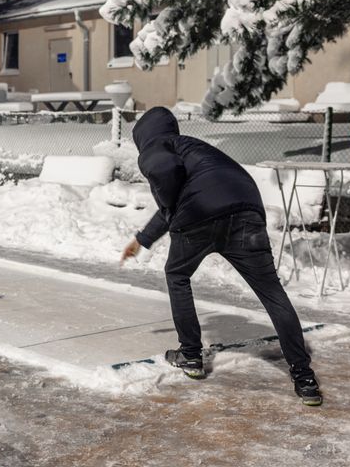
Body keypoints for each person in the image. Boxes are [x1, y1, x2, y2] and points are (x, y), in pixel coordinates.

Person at [119, 107, 321, 406]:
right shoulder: (195, 149)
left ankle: (190, 356)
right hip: (247, 217)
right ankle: (304, 378)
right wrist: (142, 239)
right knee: (272, 294)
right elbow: (177, 203)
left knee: (177, 275)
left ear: (143, 135)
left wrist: (164, 201)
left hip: (199, 218)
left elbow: (164, 174)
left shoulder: (159, 146)